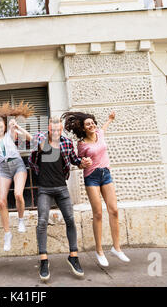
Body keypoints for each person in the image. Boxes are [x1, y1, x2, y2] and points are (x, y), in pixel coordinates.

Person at [62, 111, 130, 267]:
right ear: (83, 128)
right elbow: (79, 163)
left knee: (114, 210)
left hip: (106, 174)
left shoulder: (100, 133)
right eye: (88, 124)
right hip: (91, 176)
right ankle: (99, 251)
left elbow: (104, 127)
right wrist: (82, 162)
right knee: (98, 213)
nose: (91, 125)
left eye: (92, 122)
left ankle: (116, 248)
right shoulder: (82, 144)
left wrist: (110, 119)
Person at [28, 115, 90, 281]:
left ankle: (73, 256)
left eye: (58, 129)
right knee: (42, 222)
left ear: (60, 129)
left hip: (62, 188)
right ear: (49, 128)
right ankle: (43, 260)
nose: (55, 131)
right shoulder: (41, 138)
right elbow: (31, 143)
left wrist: (83, 162)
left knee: (70, 219)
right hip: (44, 190)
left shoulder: (67, 143)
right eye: (52, 128)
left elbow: (74, 160)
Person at [0, 102, 34, 252]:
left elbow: (26, 137)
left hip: (18, 165)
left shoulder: (10, 135)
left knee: (18, 194)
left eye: (1, 126)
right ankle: (7, 234)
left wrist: (15, 125)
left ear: (4, 127)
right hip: (4, 169)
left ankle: (21, 220)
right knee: (1, 202)